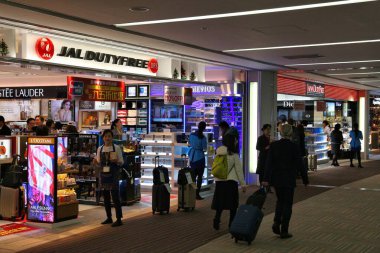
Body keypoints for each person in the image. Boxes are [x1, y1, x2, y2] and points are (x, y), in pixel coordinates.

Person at [263, 124, 309, 239]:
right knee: (287, 203)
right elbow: (300, 164)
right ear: (291, 133)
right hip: (289, 178)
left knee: (280, 201)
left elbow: (269, 163)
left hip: (277, 178)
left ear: (281, 133)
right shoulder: (294, 147)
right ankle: (284, 229)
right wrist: (305, 179)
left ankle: (276, 222)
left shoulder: (274, 145)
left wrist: (266, 179)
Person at [212, 134, 246, 230]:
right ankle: (231, 224)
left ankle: (217, 219)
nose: (236, 142)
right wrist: (243, 184)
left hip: (219, 182)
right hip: (231, 182)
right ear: (231, 142)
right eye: (235, 140)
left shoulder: (218, 152)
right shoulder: (234, 155)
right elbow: (239, 170)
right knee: (233, 205)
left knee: (220, 203)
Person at [94, 130, 124, 227]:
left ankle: (119, 218)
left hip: (114, 174)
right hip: (103, 175)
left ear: (112, 137)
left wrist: (116, 161)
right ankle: (109, 217)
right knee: (106, 197)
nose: (107, 138)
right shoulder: (100, 149)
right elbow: (98, 161)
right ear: (103, 138)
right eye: (106, 136)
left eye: (109, 136)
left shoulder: (117, 148)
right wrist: (95, 162)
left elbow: (121, 162)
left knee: (115, 197)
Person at [188, 121, 207, 200]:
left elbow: (189, 143)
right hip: (200, 158)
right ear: (204, 128)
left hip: (192, 157)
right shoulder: (203, 137)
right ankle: (197, 194)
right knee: (199, 177)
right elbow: (204, 148)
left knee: (192, 177)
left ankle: (190, 193)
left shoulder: (191, 135)